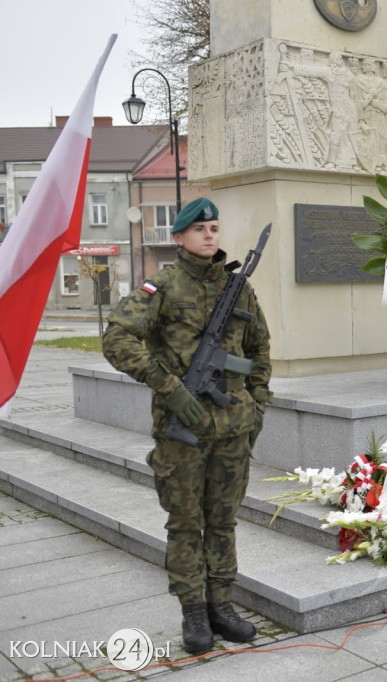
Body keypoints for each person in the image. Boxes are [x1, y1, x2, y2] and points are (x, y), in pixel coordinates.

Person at [102, 198, 273, 654]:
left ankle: (223, 604)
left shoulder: (238, 290)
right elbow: (116, 337)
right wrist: (170, 387)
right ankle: (193, 611)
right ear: (179, 237)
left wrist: (257, 406)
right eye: (200, 229)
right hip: (182, 430)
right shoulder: (162, 286)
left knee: (224, 521)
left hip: (233, 428)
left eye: (215, 227)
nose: (210, 235)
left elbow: (260, 350)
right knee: (184, 523)